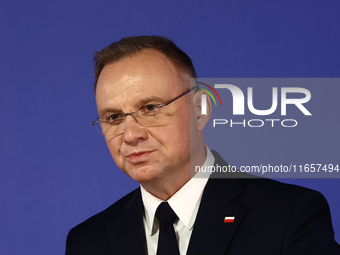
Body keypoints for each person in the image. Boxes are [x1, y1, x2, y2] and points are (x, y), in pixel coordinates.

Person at [65, 36, 340, 255]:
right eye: (114, 117)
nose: (130, 134)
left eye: (150, 108)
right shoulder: (87, 241)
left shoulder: (288, 217)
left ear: (200, 110)